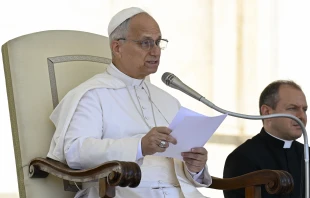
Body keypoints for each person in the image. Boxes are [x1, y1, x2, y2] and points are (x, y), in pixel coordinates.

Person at [47, 7, 212, 198]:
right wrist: (139, 146)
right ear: (117, 47)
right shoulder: (92, 94)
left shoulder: (168, 100)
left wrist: (196, 167)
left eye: (158, 42)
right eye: (146, 43)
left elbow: (182, 166)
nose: (156, 51)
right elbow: (76, 152)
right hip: (122, 192)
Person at [223, 80, 308, 198]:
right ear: (267, 112)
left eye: (304, 109)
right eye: (292, 108)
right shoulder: (242, 158)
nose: (302, 116)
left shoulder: (306, 154)